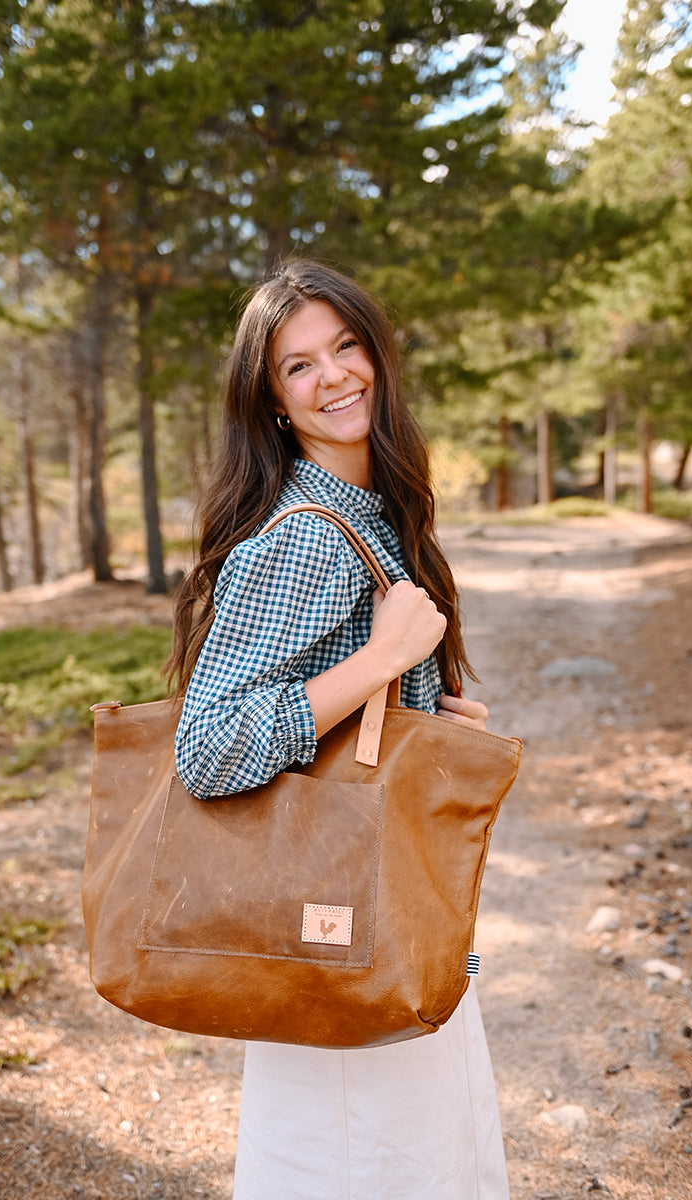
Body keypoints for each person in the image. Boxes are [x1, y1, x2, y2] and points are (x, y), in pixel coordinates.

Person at [167, 259, 509, 1199]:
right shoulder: (308, 534)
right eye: (299, 367)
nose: (334, 377)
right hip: (345, 942)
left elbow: (332, 706)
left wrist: (418, 718)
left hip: (377, 923)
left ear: (377, 353)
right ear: (273, 402)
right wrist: (377, 666)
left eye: (346, 346)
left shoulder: (375, 510)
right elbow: (211, 744)